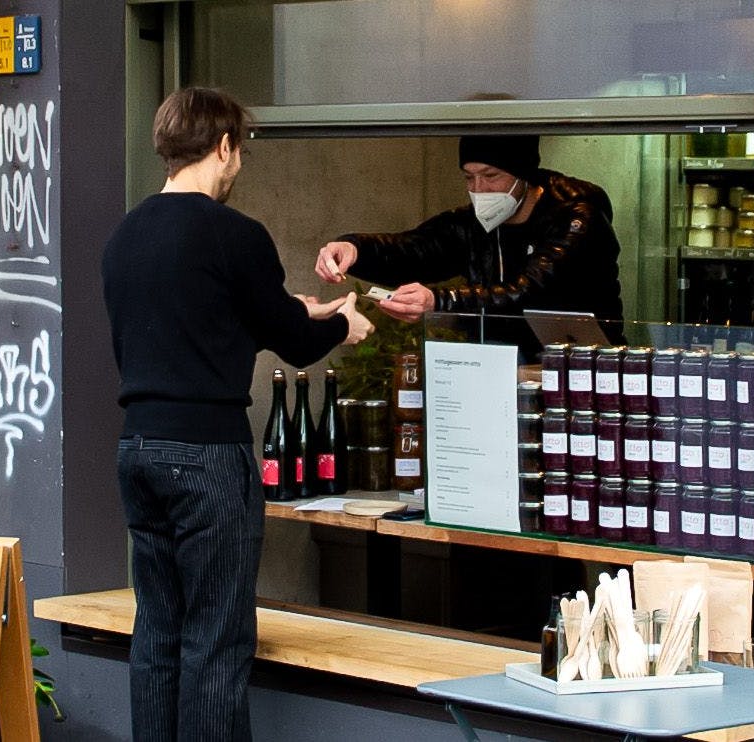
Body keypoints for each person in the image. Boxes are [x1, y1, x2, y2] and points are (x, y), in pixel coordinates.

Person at [101, 87, 372, 742]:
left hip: (138, 450)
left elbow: (200, 328)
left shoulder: (124, 236)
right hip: (205, 459)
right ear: (223, 147)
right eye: (239, 152)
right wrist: (342, 325)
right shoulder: (233, 234)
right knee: (215, 643)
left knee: (158, 633)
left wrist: (292, 311)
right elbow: (297, 344)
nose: (238, 165)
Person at [314, 134, 624, 352]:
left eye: (491, 175)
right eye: (469, 177)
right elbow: (415, 249)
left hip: (580, 370)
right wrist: (353, 249)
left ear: (524, 174)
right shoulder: (474, 224)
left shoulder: (576, 216)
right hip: (497, 366)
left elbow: (529, 292)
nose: (480, 189)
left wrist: (439, 302)